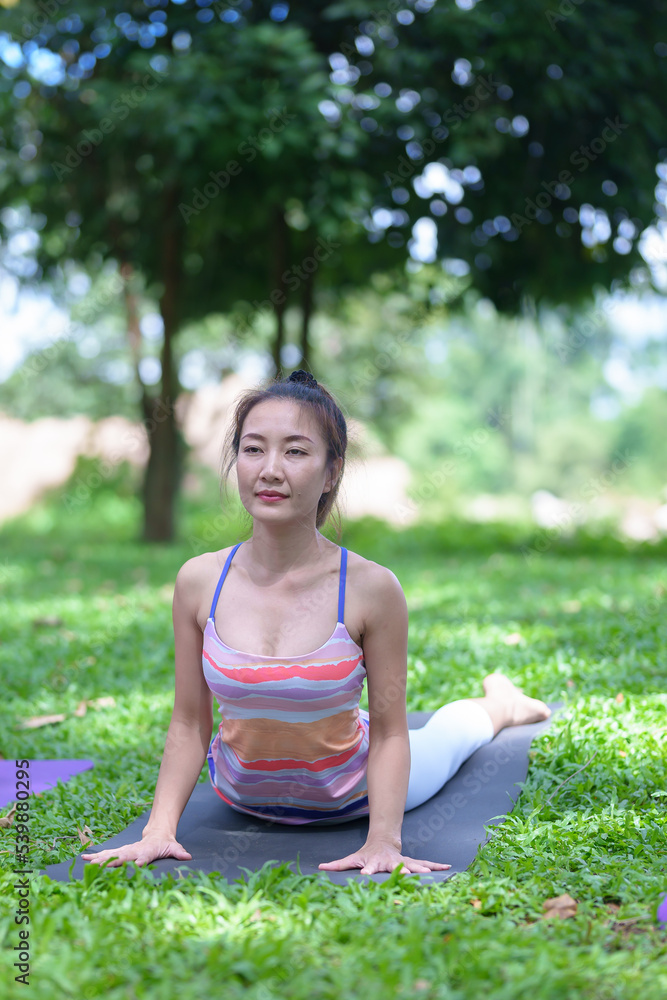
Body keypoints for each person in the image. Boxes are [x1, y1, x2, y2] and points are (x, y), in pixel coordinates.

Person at [82, 369, 550, 876]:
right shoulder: (199, 580)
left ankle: (500, 702)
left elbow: (393, 734)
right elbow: (190, 721)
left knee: (454, 733)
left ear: (332, 472)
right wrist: (158, 832)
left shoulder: (372, 588)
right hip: (243, 797)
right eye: (254, 449)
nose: (270, 470)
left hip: (356, 790)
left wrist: (383, 843)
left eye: (297, 452)